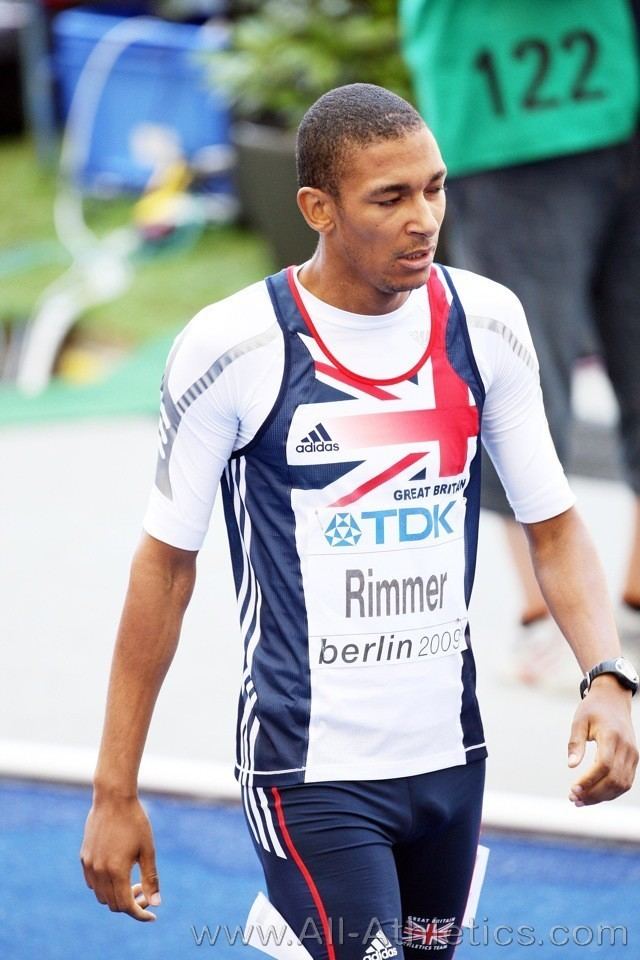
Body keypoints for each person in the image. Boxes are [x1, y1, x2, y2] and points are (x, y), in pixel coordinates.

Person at [80, 84, 638, 959]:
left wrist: (607, 677)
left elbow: (555, 527)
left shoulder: (485, 322)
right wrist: (115, 789)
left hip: (450, 762)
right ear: (318, 209)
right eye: (390, 198)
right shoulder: (234, 347)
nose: (425, 219)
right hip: (308, 773)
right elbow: (164, 569)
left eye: (435, 188)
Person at [399, 0, 640, 685]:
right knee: (522, 377)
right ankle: (544, 619)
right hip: (506, 127)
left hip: (618, 96)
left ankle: (630, 604)